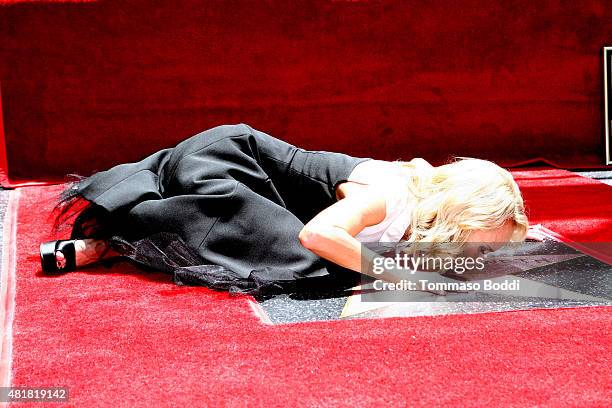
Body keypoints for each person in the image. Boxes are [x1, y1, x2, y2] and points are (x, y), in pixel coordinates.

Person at [40, 123, 529, 295]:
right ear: (457, 213)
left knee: (337, 260)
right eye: (475, 239)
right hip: (228, 168)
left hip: (244, 170)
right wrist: (398, 277)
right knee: (316, 265)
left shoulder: (424, 192)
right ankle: (113, 242)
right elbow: (317, 235)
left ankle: (104, 245)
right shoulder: (391, 196)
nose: (475, 252)